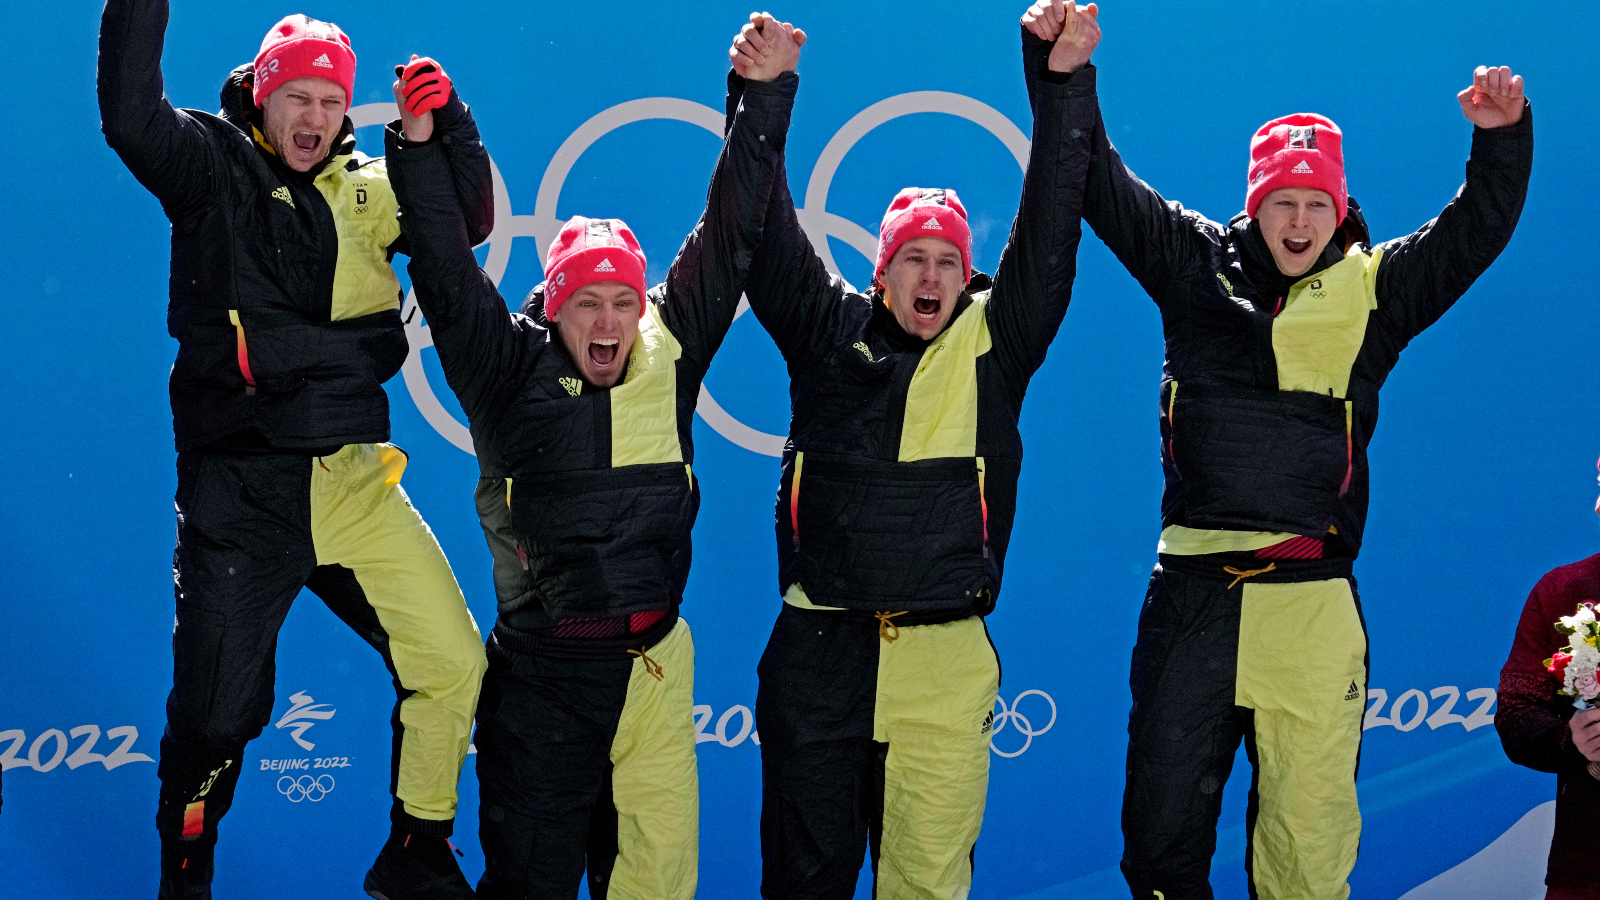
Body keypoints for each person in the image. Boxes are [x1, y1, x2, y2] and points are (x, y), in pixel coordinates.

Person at [1029, 3, 1534, 893]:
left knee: (1307, 849)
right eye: (1282, 203)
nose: (1298, 221)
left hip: (1311, 604)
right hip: (1192, 599)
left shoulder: (1374, 291)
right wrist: (1063, 73)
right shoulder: (1193, 266)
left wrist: (1502, 140)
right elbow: (1097, 182)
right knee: (1160, 845)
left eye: (1316, 203)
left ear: (1338, 210)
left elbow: (1472, 236)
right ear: (1255, 206)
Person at [384, 16, 801, 898]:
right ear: (557, 309)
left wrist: (767, 94)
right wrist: (419, 149)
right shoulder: (505, 366)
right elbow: (446, 272)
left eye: (622, 302)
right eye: (588, 305)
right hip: (542, 684)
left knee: (654, 884)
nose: (608, 323)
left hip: (654, 670)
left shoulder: (670, 344)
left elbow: (731, 227)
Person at [97, 3, 493, 897]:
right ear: (264, 99)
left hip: (353, 484)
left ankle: (416, 849)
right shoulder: (210, 166)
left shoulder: (368, 178)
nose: (314, 117)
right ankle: (186, 875)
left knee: (456, 663)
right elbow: (128, 114)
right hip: (243, 496)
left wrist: (445, 132)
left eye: (330, 100)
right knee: (215, 719)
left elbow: (460, 225)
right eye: (297, 98)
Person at [732, 5, 1099, 897]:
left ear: (967, 274)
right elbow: (759, 222)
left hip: (943, 660)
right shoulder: (827, 330)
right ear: (881, 272)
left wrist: (1060, 81)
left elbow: (1052, 222)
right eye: (913, 260)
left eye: (946, 261)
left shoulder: (995, 343)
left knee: (927, 884)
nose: (931, 277)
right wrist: (759, 91)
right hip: (821, 655)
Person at [1496, 460, 1600, 900]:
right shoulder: (1562, 590)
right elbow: (1516, 712)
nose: (1597, 505)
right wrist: (1570, 738)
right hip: (1587, 867)